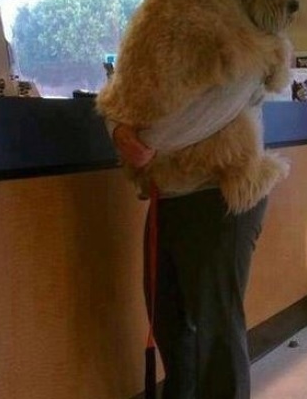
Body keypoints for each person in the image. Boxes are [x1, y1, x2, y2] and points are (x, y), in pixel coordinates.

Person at [110, 80, 269, 399]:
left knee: (215, 334)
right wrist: (116, 129)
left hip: (220, 191)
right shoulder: (150, 48)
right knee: (169, 326)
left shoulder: (244, 46)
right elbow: (118, 94)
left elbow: (217, 105)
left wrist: (143, 137)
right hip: (168, 195)